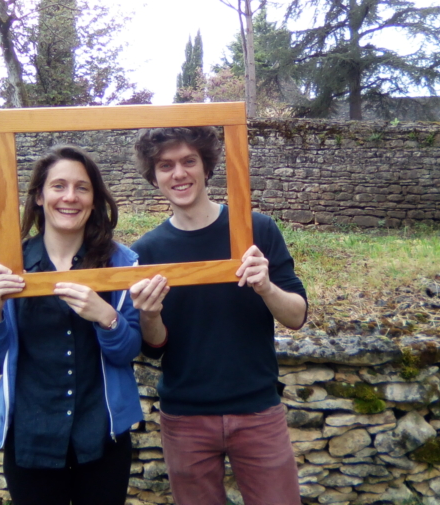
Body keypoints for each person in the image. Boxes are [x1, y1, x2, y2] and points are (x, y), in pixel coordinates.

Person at [129, 127, 308, 505]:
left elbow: (296, 316)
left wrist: (266, 287)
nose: (179, 173)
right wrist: (150, 315)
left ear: (206, 166)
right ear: (154, 177)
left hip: (258, 410)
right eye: (166, 165)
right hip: (186, 419)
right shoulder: (146, 251)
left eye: (188, 161)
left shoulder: (257, 230)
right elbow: (154, 348)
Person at [0, 145, 143, 505]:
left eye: (82, 188)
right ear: (39, 196)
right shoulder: (4, 269)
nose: (70, 197)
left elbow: (127, 351)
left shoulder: (120, 265)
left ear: (94, 200)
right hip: (31, 437)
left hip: (101, 437)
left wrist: (106, 317)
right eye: (58, 186)